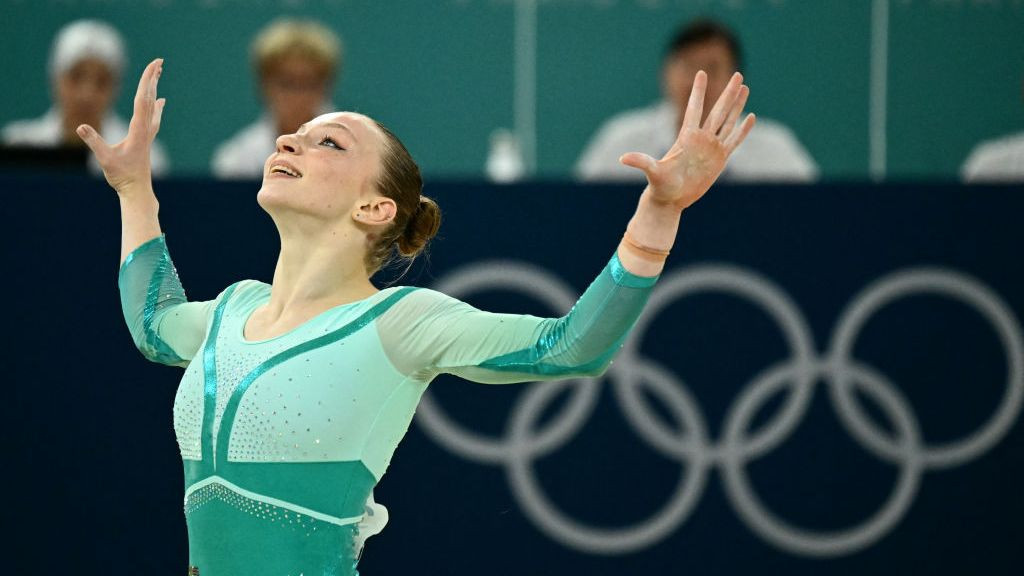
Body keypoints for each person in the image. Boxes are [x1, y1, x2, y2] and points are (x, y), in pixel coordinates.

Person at [78, 57, 754, 575]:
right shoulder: (232, 309)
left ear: (375, 208)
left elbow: (571, 346)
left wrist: (659, 212)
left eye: (329, 144)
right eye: (295, 135)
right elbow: (152, 324)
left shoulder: (399, 324)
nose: (289, 139)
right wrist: (134, 189)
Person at [576, 18, 816, 183]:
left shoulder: (776, 150)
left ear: (736, 78)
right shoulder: (621, 141)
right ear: (665, 72)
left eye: (713, 67)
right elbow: (579, 210)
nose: (698, 79)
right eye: (687, 65)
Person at [2, 19, 168, 176]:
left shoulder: (146, 156)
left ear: (116, 87)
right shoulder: (16, 144)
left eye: (102, 81)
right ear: (55, 78)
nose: (87, 95)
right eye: (76, 76)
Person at [211, 18, 342, 179]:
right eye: (287, 83)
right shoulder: (236, 160)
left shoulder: (352, 155)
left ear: (327, 86)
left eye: (309, 83)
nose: (298, 95)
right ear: (264, 85)